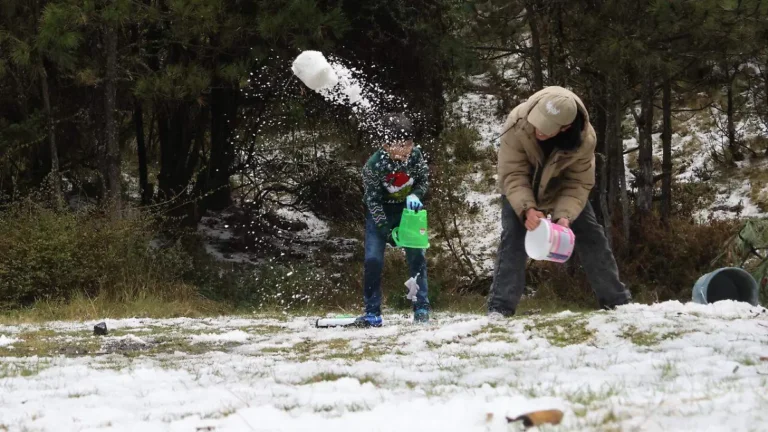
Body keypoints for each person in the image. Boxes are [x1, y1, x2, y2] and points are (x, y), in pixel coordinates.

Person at [488, 86, 632, 317]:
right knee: (513, 238)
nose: (538, 131)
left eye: (546, 129)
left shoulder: (585, 140)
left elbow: (578, 183)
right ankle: (499, 308)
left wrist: (565, 216)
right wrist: (527, 209)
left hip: (562, 189)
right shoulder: (517, 122)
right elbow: (512, 173)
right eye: (537, 123)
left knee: (592, 236)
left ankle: (617, 302)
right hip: (521, 187)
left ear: (565, 128)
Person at [355, 112, 430, 327]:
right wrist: (386, 230)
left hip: (409, 211)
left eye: (409, 144)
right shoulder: (373, 166)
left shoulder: (416, 156)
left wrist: (417, 194)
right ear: (386, 145)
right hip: (380, 213)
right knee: (373, 260)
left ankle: (421, 306)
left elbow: (423, 180)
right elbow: (372, 201)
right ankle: (372, 311)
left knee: (417, 257)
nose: (406, 150)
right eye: (401, 145)